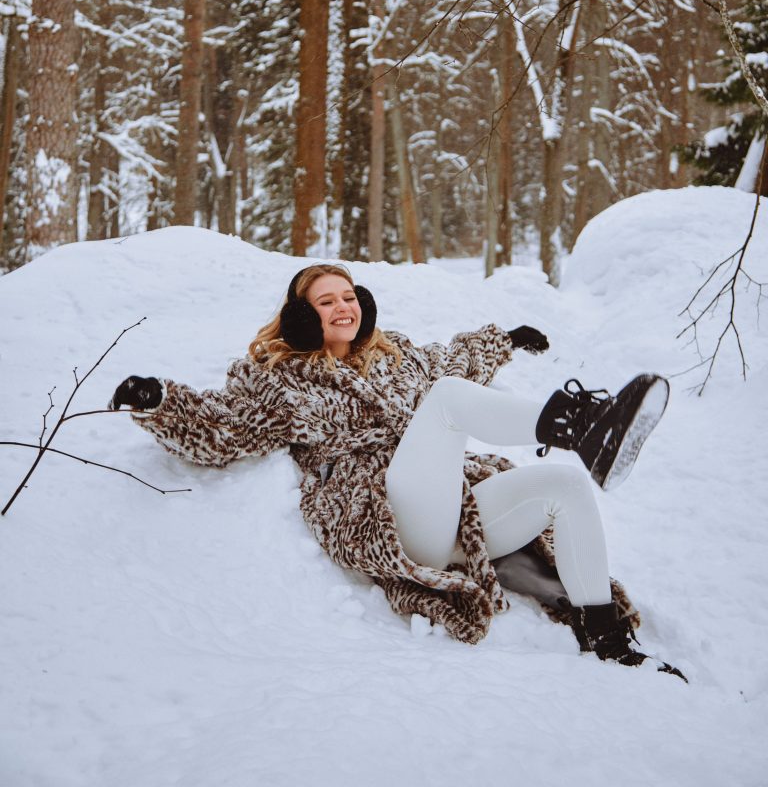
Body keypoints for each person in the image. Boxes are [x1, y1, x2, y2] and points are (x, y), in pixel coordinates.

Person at [110, 263, 684, 679]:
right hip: (384, 519)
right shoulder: (278, 380)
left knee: (564, 485)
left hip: (452, 516)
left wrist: (502, 341)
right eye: (327, 301)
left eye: (349, 296)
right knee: (449, 401)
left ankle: (608, 638)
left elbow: (448, 362)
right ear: (301, 319)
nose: (344, 307)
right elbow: (225, 429)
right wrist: (161, 402)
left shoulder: (395, 357)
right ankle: (579, 427)